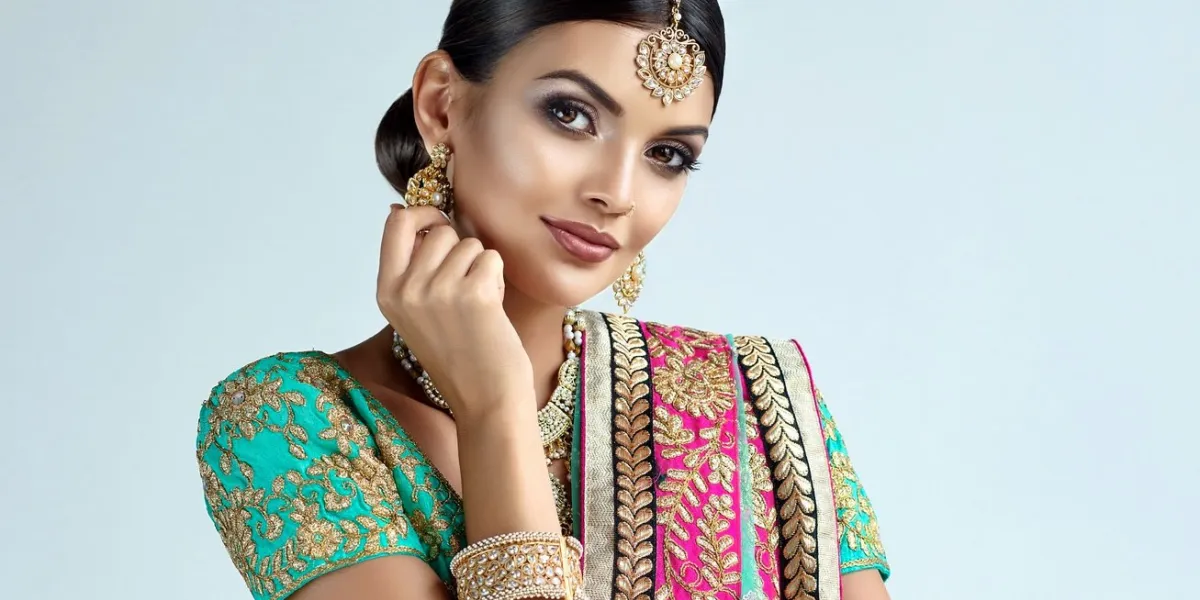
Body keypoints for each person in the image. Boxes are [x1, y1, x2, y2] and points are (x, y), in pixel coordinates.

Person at [194, 1, 891, 599]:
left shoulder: (754, 402)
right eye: (571, 115)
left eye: (668, 155)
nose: (617, 192)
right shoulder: (289, 421)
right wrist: (495, 407)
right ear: (442, 104)